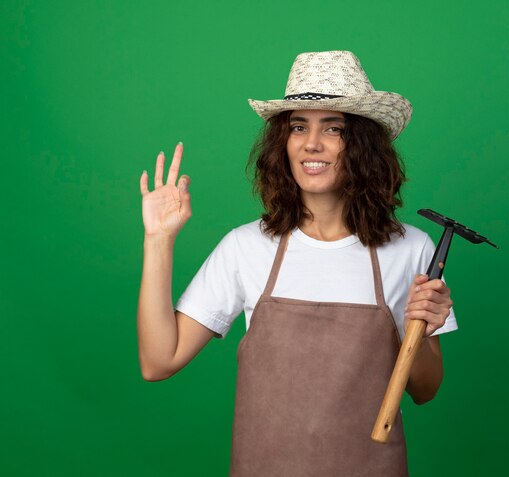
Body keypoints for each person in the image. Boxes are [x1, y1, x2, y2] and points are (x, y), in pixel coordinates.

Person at [137, 50, 457, 476]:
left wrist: (420, 324)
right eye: (298, 127)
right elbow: (159, 361)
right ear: (282, 144)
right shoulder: (245, 247)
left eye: (334, 128)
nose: (312, 143)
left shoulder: (411, 250)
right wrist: (158, 242)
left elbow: (425, 389)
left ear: (361, 144)